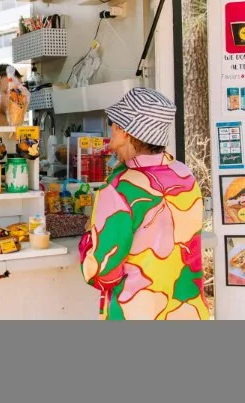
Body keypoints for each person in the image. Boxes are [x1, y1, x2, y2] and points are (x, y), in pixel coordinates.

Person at [79, 87, 209, 320]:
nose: (111, 133)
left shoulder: (119, 189)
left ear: (124, 131)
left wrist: (89, 235)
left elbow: (101, 271)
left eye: (113, 124)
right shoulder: (185, 176)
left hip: (137, 312)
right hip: (188, 309)